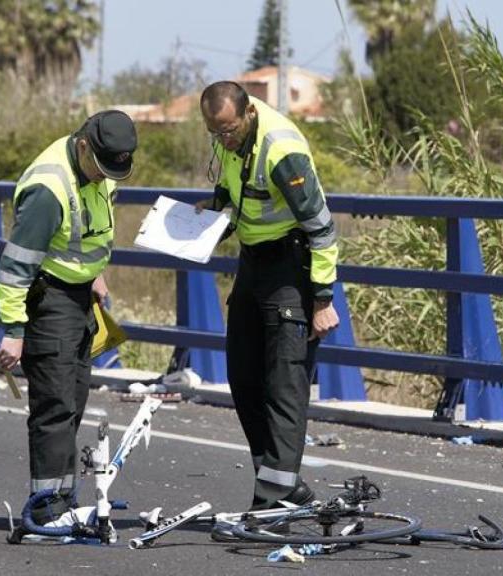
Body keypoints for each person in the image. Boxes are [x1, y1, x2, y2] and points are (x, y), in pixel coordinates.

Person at [197, 81, 339, 511]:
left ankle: (273, 501)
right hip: (253, 262)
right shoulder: (227, 136)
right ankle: (283, 484)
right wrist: (213, 209)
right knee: (242, 376)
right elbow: (235, 191)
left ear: (248, 115)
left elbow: (322, 228)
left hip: (290, 268)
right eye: (214, 132)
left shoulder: (281, 150)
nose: (223, 139)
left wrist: (322, 299)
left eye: (229, 130)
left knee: (284, 384)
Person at [0, 110, 137, 526]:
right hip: (49, 299)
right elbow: (15, 267)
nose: (103, 177)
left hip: (79, 298)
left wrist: (95, 275)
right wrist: (14, 332)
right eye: (101, 167)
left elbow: (88, 230)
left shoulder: (101, 169)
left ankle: (61, 499)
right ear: (83, 146)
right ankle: (46, 508)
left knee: (72, 402)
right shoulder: (49, 188)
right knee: (54, 406)